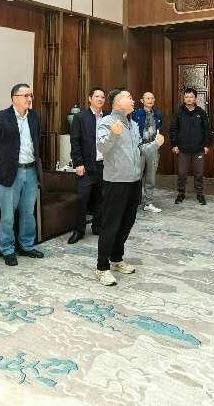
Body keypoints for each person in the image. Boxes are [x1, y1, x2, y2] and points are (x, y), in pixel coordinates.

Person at [95, 88, 164, 286]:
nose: (133, 100)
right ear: (117, 102)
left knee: (127, 223)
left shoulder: (133, 124)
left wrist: (155, 144)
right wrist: (113, 134)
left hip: (134, 181)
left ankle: (116, 259)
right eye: (129, 97)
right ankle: (101, 268)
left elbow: (140, 149)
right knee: (111, 225)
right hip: (115, 182)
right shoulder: (106, 122)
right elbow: (101, 147)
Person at [0, 83, 44, 266]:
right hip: (11, 172)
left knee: (28, 212)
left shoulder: (34, 116)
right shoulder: (1, 117)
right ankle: (7, 249)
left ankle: (26, 246)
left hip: (31, 170)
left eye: (30, 95)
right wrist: (7, 161)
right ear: (14, 98)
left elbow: (36, 141)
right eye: (25, 95)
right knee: (8, 214)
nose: (29, 99)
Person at [67, 87, 106, 244]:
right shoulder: (80, 117)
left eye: (102, 97)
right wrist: (78, 163)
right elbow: (75, 141)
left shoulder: (108, 117)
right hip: (86, 166)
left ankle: (97, 226)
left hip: (103, 165)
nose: (100, 99)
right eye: (97, 96)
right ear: (90, 98)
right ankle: (79, 230)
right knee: (82, 199)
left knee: (101, 198)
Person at [169, 87, 210, 205]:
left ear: (195, 98)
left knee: (199, 173)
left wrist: (206, 145)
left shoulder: (201, 112)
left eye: (191, 97)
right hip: (183, 149)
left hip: (199, 149)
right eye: (186, 97)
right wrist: (174, 144)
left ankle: (200, 194)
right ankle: (181, 193)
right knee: (182, 173)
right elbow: (173, 129)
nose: (189, 99)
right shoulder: (179, 112)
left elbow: (207, 130)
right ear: (184, 98)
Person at [132, 91, 164, 213]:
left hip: (153, 147)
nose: (150, 100)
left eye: (152, 98)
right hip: (139, 147)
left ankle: (148, 203)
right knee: (137, 175)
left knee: (151, 177)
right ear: (142, 100)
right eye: (147, 98)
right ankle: (134, 202)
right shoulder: (136, 114)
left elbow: (159, 130)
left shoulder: (158, 114)